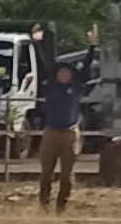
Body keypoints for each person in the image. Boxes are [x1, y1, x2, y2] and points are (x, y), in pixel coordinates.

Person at [33, 58, 84, 212]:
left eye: (67, 72)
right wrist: (37, 42)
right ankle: (44, 204)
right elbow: (44, 65)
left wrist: (92, 46)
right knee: (46, 172)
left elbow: (86, 68)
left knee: (66, 174)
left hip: (70, 132)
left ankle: (62, 206)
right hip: (51, 132)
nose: (64, 75)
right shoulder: (51, 87)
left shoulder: (76, 87)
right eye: (61, 72)